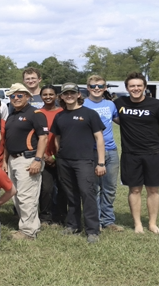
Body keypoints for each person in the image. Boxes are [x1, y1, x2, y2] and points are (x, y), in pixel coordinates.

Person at [114, 72, 159, 234]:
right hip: (130, 154)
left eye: (139, 85)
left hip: (154, 153)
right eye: (132, 86)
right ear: (127, 88)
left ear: (144, 87)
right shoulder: (119, 103)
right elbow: (110, 116)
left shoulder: (157, 104)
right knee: (134, 190)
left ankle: (152, 224)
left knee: (153, 190)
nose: (136, 88)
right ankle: (138, 224)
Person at [52, 82, 106, 244]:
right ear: (61, 96)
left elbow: (99, 138)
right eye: (66, 93)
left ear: (78, 95)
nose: (69, 96)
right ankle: (73, 225)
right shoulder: (59, 116)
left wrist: (101, 163)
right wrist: (59, 155)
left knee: (87, 194)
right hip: (64, 161)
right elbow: (57, 138)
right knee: (71, 194)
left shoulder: (89, 114)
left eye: (72, 93)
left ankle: (92, 230)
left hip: (84, 160)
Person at [3, 83, 48, 240]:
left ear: (28, 96)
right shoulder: (12, 114)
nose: (15, 98)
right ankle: (28, 225)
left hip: (28, 159)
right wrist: (4, 160)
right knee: (15, 195)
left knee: (27, 196)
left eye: (20, 95)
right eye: (12, 96)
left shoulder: (35, 113)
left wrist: (37, 159)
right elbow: (7, 139)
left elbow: (43, 137)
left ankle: (28, 232)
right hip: (12, 159)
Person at [83, 76, 123, 232]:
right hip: (90, 151)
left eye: (100, 86)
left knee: (110, 187)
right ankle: (95, 220)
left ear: (105, 88)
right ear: (88, 88)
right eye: (93, 86)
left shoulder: (110, 104)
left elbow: (120, 120)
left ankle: (108, 220)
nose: (97, 88)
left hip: (111, 150)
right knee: (94, 188)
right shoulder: (83, 105)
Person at [37, 85, 66, 226]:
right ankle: (45, 216)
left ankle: (60, 216)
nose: (48, 97)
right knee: (46, 188)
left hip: (61, 157)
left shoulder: (63, 112)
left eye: (51, 94)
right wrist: (44, 156)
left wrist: (55, 157)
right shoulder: (37, 113)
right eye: (45, 94)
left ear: (56, 96)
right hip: (44, 157)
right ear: (41, 96)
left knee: (62, 187)